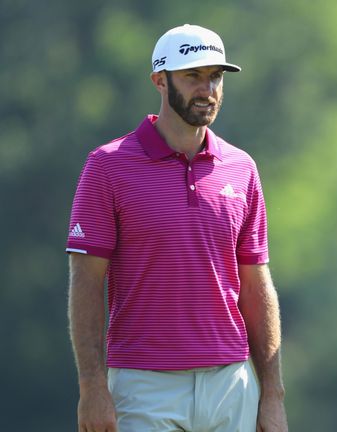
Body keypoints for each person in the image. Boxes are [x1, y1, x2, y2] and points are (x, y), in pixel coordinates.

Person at [66, 24, 288, 432]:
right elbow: (85, 283)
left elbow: (256, 283)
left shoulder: (241, 168)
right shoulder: (107, 166)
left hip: (231, 383)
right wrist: (92, 386)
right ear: (160, 81)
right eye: (192, 77)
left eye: (215, 77)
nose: (207, 89)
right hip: (144, 384)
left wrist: (272, 395)